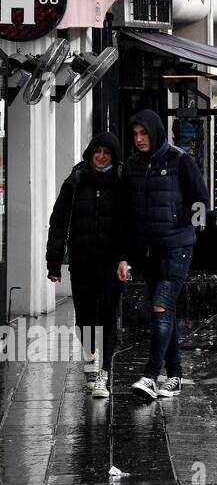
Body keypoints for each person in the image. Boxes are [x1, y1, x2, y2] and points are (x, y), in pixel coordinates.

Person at [117, 110, 209, 401]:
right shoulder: (132, 165)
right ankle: (176, 376)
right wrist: (126, 255)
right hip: (149, 251)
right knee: (164, 312)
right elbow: (127, 215)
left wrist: (177, 219)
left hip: (178, 248)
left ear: (155, 132)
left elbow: (202, 203)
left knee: (160, 306)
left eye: (144, 133)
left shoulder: (180, 159)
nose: (139, 139)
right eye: (135, 134)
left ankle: (150, 375)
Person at [46, 133, 128, 399]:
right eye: (97, 151)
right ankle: (90, 357)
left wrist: (128, 258)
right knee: (83, 316)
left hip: (111, 262)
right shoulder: (75, 181)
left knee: (107, 312)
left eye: (107, 152)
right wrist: (54, 262)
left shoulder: (122, 181)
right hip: (81, 261)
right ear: (89, 153)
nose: (101, 156)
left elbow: (132, 224)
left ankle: (104, 372)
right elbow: (58, 222)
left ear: (114, 156)